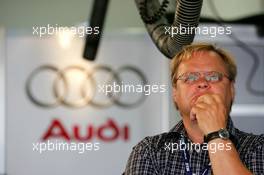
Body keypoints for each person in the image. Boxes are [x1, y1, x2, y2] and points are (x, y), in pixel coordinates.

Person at [124, 43, 264, 175]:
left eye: (214, 76)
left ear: (232, 90)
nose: (202, 83)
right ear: (175, 93)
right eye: (190, 78)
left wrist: (215, 133)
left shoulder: (259, 148)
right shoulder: (149, 151)